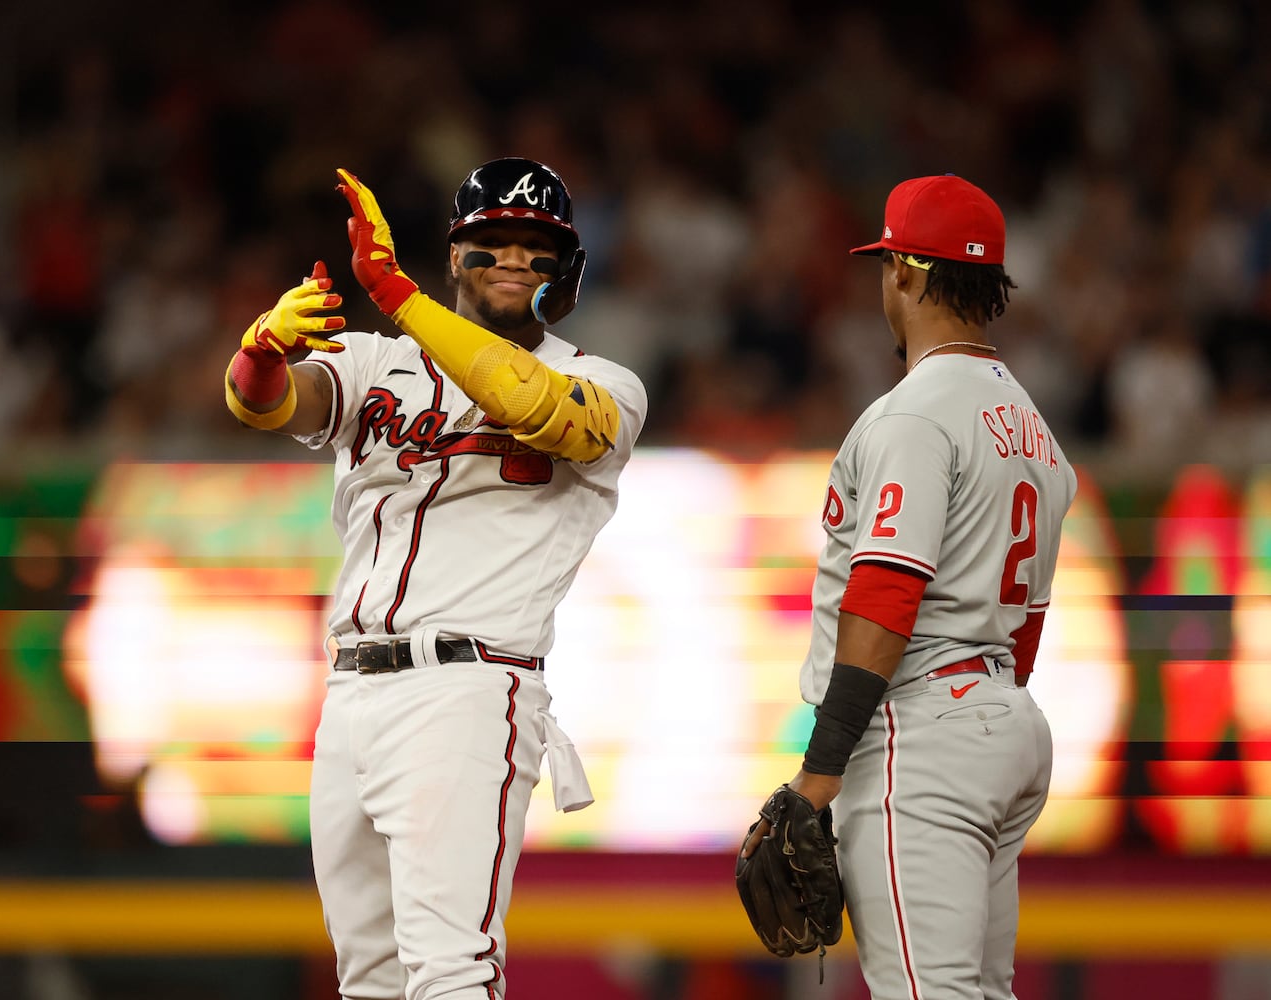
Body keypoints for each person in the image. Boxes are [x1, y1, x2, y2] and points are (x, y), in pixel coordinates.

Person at [223, 157, 647, 999]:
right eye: (495, 241)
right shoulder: (375, 361)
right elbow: (265, 403)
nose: (515, 259)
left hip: (468, 687)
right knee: (368, 981)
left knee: (450, 971)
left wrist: (398, 295)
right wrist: (259, 350)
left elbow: (531, 405)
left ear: (565, 268)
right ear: (456, 255)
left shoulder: (604, 382)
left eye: (537, 245)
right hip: (350, 694)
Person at [741, 174, 1077, 998]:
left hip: (920, 732)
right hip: (1004, 720)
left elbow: (887, 592)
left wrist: (821, 770)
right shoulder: (1034, 429)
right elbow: (1027, 626)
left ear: (904, 271)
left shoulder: (913, 414)